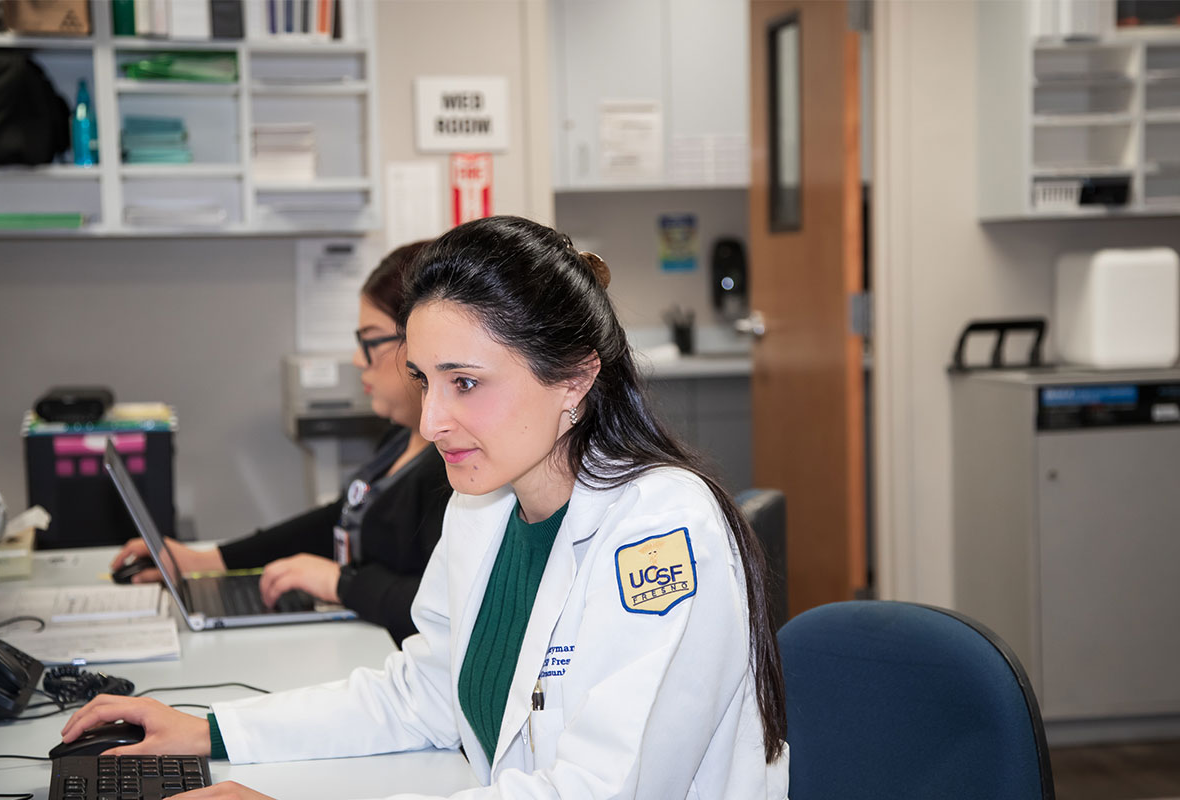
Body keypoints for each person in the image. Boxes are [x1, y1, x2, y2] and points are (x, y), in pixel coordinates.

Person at [63, 216, 790, 799]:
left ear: (573, 378)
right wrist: (210, 731)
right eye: (423, 380)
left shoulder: (661, 527)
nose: (433, 420)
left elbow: (602, 788)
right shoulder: (483, 508)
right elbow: (421, 697)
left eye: (465, 383)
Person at [108, 241, 450, 643]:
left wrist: (340, 583)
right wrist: (209, 560)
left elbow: (442, 607)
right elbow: (337, 519)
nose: (358, 359)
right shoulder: (400, 437)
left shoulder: (448, 466)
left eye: (370, 341)